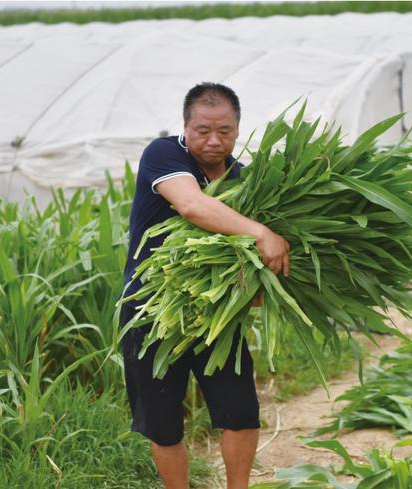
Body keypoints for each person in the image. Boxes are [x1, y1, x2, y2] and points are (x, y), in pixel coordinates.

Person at [119, 82, 291, 489]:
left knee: (242, 413)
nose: (215, 141)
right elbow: (193, 206)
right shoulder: (164, 153)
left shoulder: (244, 180)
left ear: (238, 129)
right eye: (203, 131)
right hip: (153, 311)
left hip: (217, 315)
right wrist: (261, 232)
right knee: (164, 425)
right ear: (185, 126)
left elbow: (247, 257)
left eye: (226, 132)